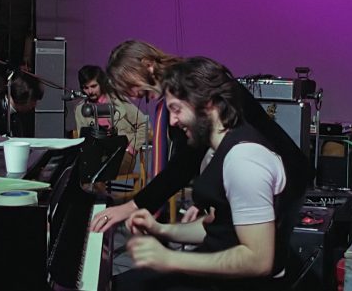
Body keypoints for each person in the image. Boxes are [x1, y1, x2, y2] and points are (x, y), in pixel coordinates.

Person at [90, 40, 312, 234]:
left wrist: (130, 207)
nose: (133, 94)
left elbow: (184, 164)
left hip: (282, 175)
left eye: (130, 85)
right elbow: (201, 153)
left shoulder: (188, 83)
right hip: (274, 174)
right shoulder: (182, 82)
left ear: (148, 64)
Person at [113, 57, 288, 291]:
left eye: (176, 110)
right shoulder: (216, 153)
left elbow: (259, 261)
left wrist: (170, 259)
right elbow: (216, 227)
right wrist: (160, 229)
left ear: (208, 105)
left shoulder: (243, 160)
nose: (172, 121)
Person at [74, 65, 149, 175]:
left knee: (99, 172)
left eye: (93, 86)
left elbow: (144, 124)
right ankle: (96, 190)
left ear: (101, 84)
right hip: (97, 155)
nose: (90, 91)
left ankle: (97, 189)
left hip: (122, 153)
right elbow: (84, 138)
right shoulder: (81, 109)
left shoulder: (118, 101)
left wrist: (132, 148)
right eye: (86, 88)